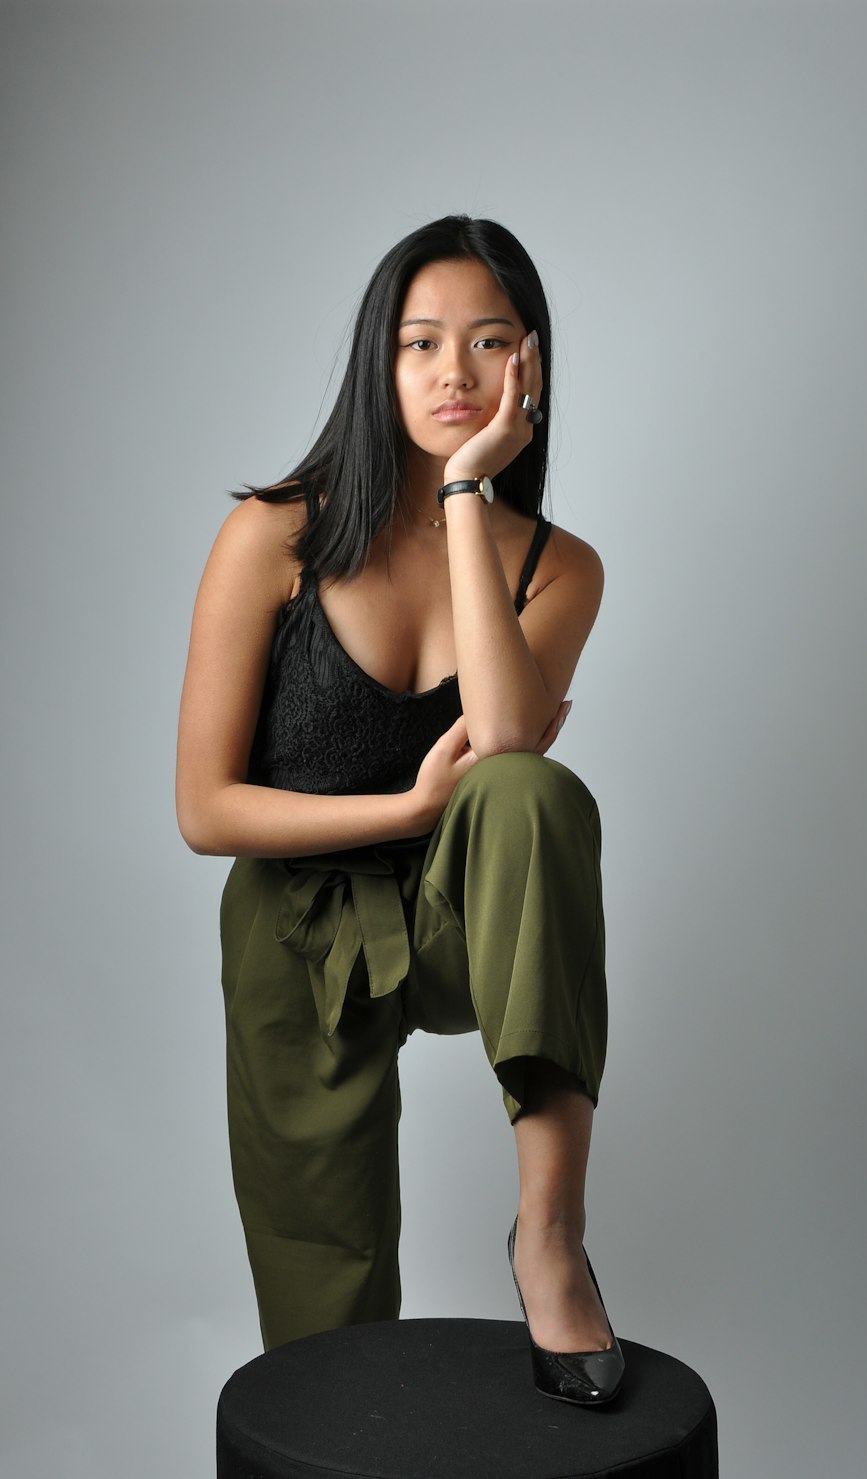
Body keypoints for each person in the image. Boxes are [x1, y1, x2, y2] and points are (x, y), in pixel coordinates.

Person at [176, 215, 624, 1405]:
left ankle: (548, 1240)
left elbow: (513, 744)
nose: (453, 375)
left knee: (533, 792)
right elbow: (205, 809)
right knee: (324, 1331)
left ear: (529, 365)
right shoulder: (278, 532)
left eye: (486, 343)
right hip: (297, 922)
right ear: (381, 362)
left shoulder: (559, 566)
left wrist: (469, 495)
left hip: (458, 913)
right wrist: (404, 802)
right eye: (421, 343)